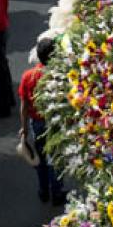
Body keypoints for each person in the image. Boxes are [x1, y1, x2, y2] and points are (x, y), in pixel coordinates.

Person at [19, 37, 67, 205]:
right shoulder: (60, 76)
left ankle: (43, 190)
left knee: (40, 157)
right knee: (55, 158)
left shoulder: (28, 76)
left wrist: (24, 129)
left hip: (37, 123)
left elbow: (24, 106)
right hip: (55, 122)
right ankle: (57, 192)